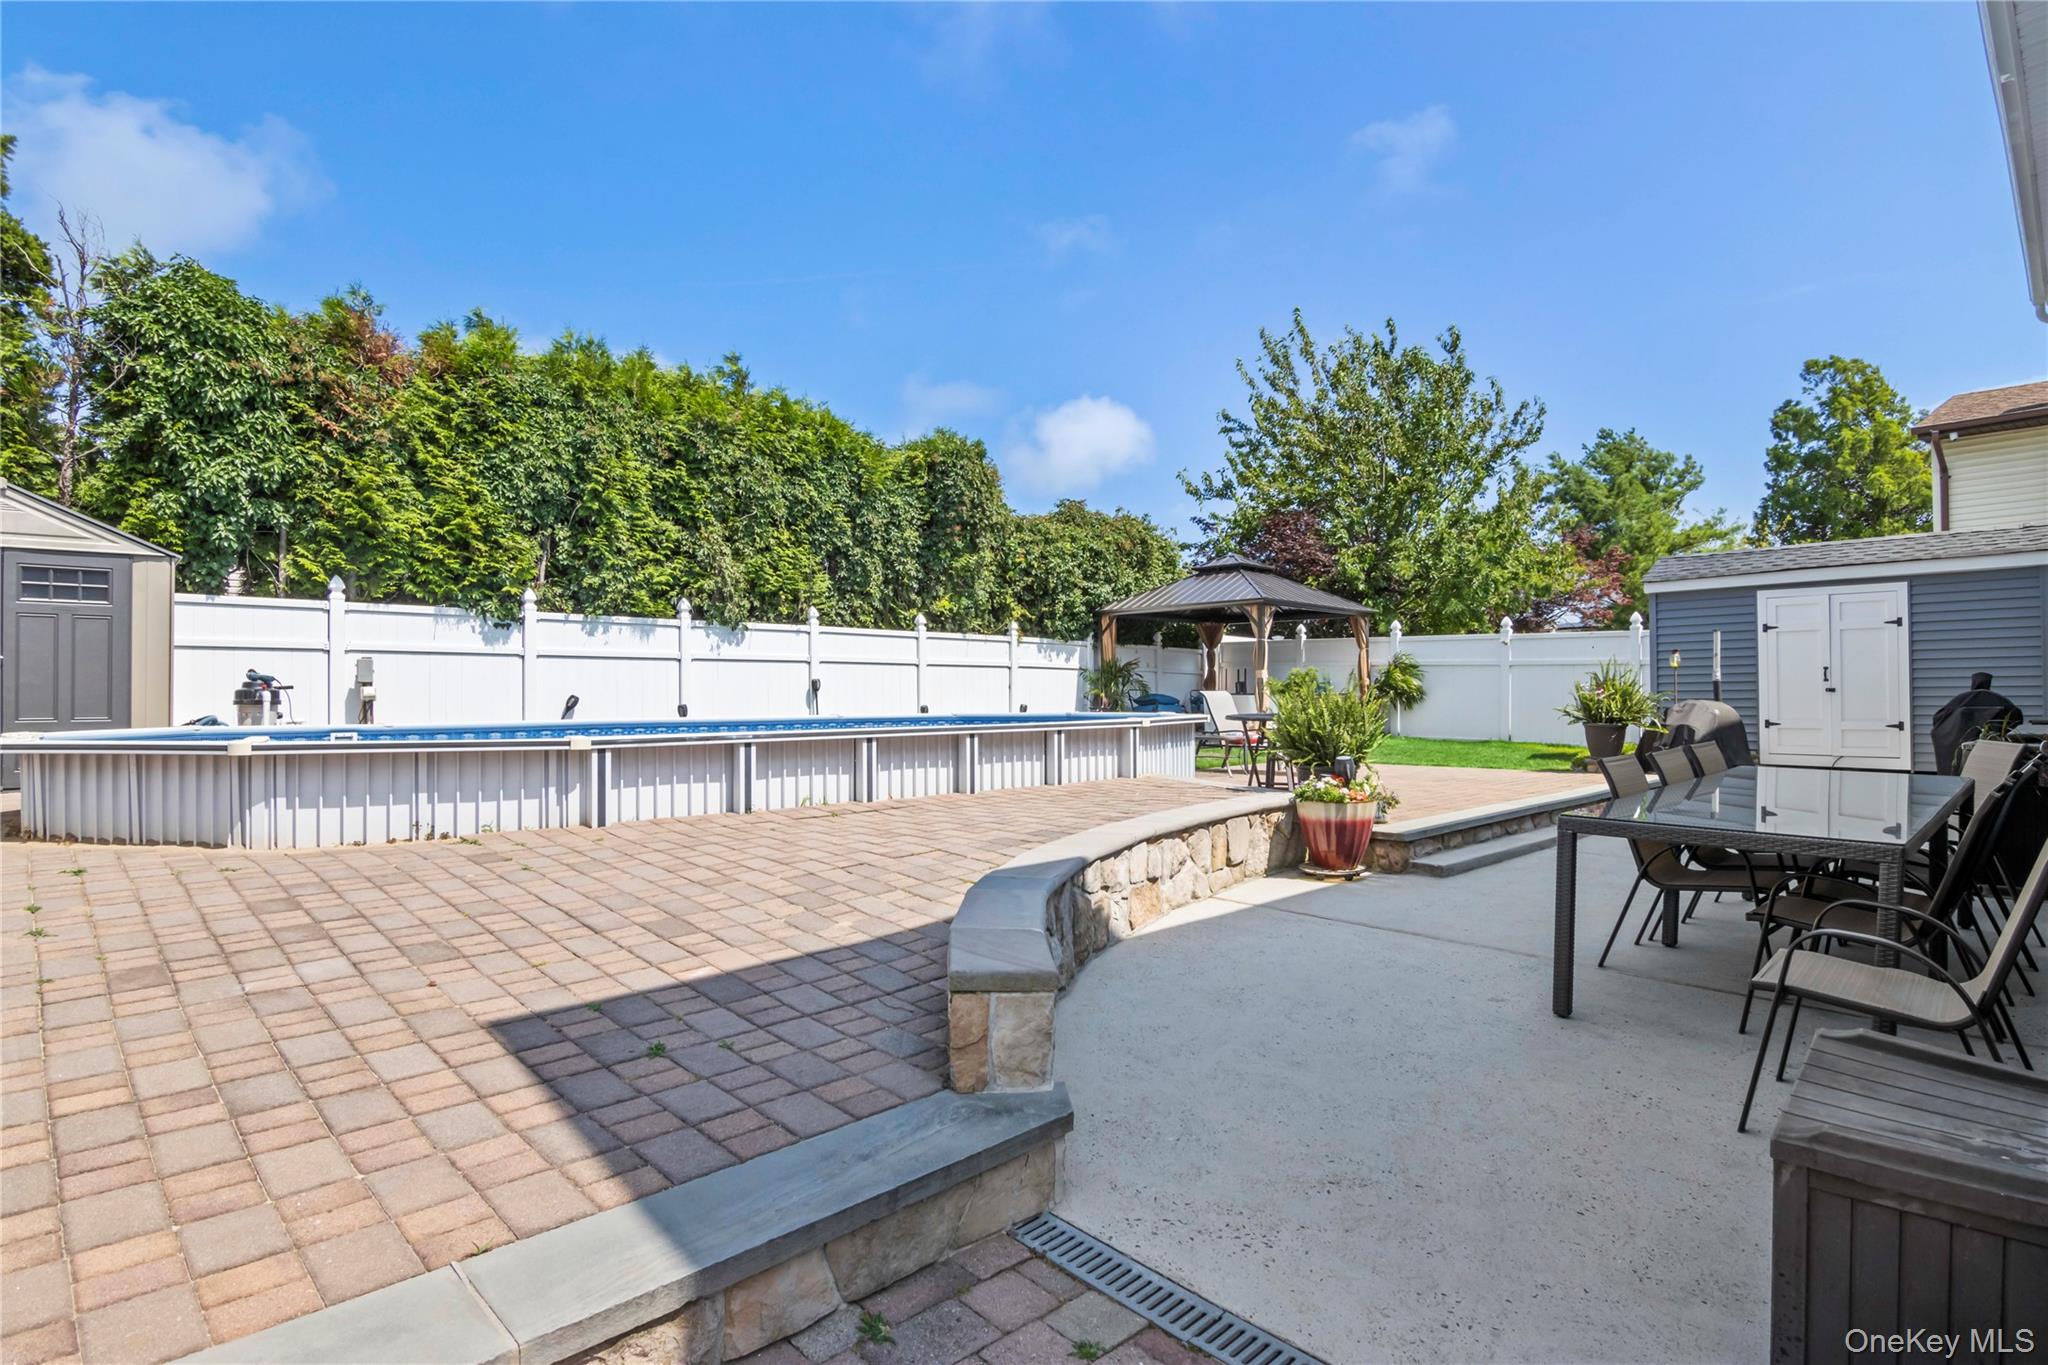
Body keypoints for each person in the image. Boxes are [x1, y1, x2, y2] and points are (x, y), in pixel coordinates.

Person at [1930, 672, 2024, 775]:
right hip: (1991, 754)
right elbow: (2017, 719)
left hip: (1957, 749)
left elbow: (1938, 718)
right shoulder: (1999, 700)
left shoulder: (1961, 700)